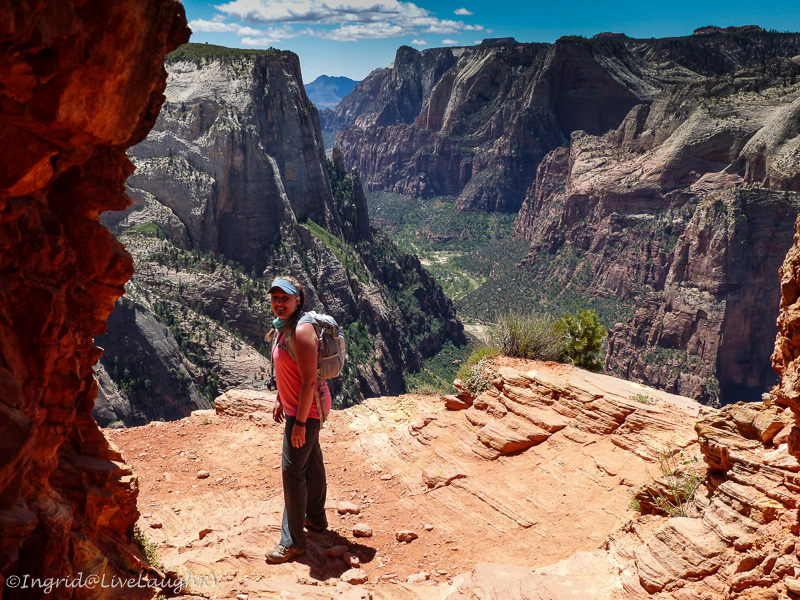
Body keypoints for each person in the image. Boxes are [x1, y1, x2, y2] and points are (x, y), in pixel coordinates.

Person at [265, 276, 331, 564]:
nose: (279, 303)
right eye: (275, 298)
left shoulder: (301, 330)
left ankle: (292, 542)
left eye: (285, 298)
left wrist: (300, 424)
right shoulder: (283, 326)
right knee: (311, 458)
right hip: (297, 406)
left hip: (307, 410)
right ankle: (315, 517)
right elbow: (287, 370)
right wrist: (280, 396)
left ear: (298, 300)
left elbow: (308, 381)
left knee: (292, 471)